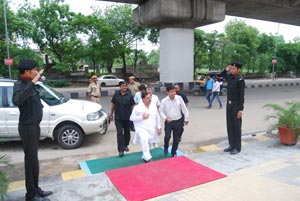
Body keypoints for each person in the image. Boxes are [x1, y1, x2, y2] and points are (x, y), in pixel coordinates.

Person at [12, 59, 52, 201]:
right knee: (30, 162)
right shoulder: (20, 85)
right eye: (34, 70)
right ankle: (31, 195)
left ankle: (36, 189)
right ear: (27, 72)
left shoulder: (28, 85)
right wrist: (33, 82)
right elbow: (17, 100)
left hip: (34, 126)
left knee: (34, 161)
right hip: (27, 127)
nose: (36, 72)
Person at [221, 62, 245, 155]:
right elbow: (222, 75)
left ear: (238, 70)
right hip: (229, 104)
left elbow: (241, 96)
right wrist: (226, 69)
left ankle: (237, 147)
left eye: (234, 69)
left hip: (236, 105)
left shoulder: (240, 80)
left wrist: (240, 110)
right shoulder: (230, 77)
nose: (232, 70)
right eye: (231, 68)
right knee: (230, 125)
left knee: (236, 127)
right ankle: (231, 145)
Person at [130, 92, 162, 163]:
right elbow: (131, 118)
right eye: (147, 98)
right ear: (143, 99)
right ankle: (148, 158)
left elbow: (157, 117)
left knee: (148, 142)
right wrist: (141, 117)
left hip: (151, 128)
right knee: (144, 140)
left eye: (150, 98)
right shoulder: (137, 107)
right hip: (141, 128)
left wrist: (159, 127)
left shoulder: (153, 107)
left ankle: (145, 156)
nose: (149, 99)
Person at [159, 85, 189, 157]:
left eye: (174, 91)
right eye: (171, 92)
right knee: (167, 136)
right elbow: (160, 111)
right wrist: (165, 118)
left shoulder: (179, 98)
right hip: (169, 122)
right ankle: (166, 146)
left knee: (176, 139)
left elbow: (184, 109)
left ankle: (173, 152)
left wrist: (186, 118)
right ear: (167, 92)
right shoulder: (164, 101)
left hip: (178, 121)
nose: (173, 93)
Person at [110, 81, 135, 157]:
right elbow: (113, 104)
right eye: (122, 86)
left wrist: (134, 115)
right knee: (119, 133)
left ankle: (125, 145)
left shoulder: (129, 95)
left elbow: (133, 105)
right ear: (120, 87)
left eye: (125, 86)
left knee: (127, 133)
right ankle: (121, 150)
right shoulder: (116, 94)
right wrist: (111, 114)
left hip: (128, 118)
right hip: (118, 118)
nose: (124, 87)